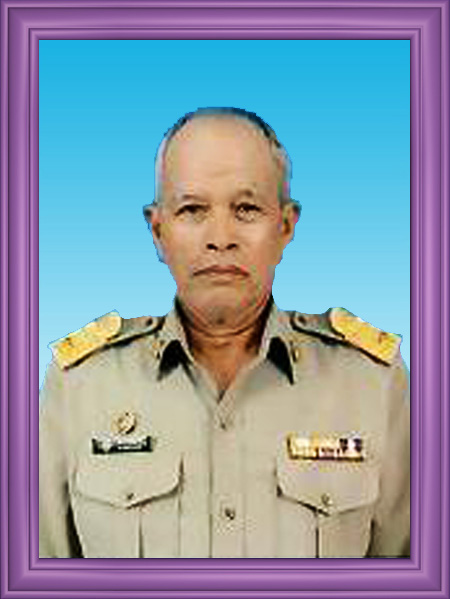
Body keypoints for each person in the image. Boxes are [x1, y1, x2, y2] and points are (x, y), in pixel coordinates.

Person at [39, 107, 410, 558]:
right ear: (157, 231)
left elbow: (413, 578)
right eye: (192, 209)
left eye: (246, 208)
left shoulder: (372, 383)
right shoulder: (81, 385)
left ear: (285, 226)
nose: (220, 237)